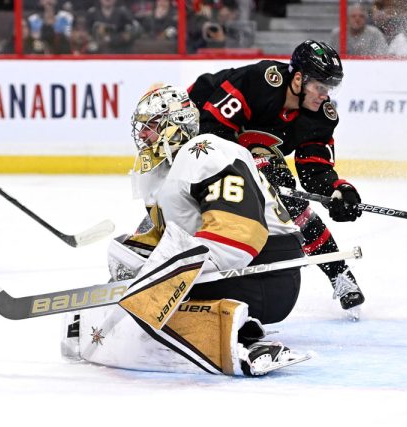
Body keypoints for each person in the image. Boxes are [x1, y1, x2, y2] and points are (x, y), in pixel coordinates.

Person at [61, 86, 309, 376]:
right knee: (132, 267)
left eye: (150, 126)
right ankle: (230, 327)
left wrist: (163, 278)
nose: (142, 135)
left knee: (150, 301)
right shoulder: (165, 170)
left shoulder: (205, 151)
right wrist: (134, 264)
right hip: (240, 269)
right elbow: (168, 236)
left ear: (174, 125)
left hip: (268, 273)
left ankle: (244, 341)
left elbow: (240, 235)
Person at [186, 40, 366, 318]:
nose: (324, 95)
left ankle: (339, 274)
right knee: (188, 190)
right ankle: (150, 244)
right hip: (193, 121)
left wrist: (337, 189)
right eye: (319, 87)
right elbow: (211, 128)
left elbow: (313, 169)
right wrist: (250, 163)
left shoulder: (320, 115)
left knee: (288, 201)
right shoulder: (259, 82)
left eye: (328, 88)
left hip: (239, 145)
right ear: (298, 79)